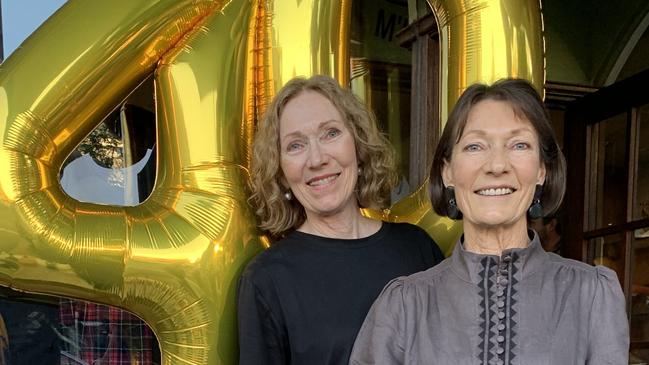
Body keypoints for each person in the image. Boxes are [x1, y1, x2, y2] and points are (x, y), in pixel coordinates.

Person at [349, 78, 629, 364]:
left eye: (519, 145)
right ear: (447, 172)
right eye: (475, 146)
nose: (497, 165)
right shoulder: (404, 305)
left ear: (542, 170)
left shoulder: (591, 294)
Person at [237, 75, 444, 365]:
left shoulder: (417, 248)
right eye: (296, 145)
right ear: (281, 172)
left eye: (330, 133)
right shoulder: (267, 278)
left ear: (358, 147)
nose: (317, 159)